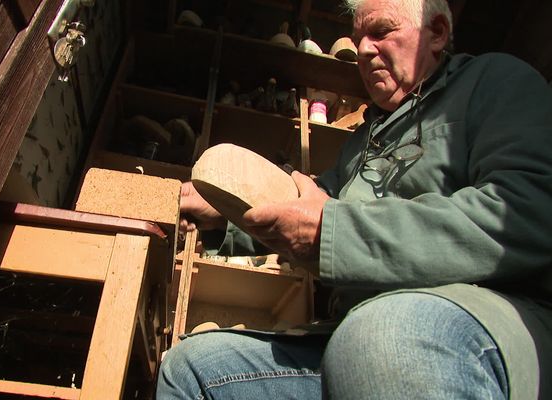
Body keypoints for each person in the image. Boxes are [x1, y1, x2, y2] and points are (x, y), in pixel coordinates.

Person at [157, 0, 552, 398]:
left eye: (380, 32)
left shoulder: (494, 82)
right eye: (360, 38)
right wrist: (226, 215)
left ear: (437, 33)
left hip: (482, 320)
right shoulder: (362, 142)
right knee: (192, 368)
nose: (362, 49)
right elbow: (310, 208)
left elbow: (527, 211)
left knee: (383, 336)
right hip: (353, 335)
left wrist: (334, 231)